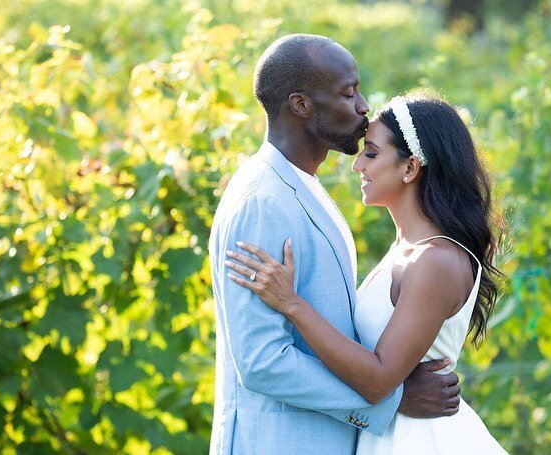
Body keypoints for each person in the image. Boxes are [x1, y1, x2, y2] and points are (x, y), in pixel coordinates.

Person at [208, 34, 461, 455]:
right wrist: (390, 400)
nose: (364, 106)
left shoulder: (305, 188)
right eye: (348, 92)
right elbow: (261, 362)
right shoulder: (263, 202)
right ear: (301, 105)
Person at [225, 94, 507, 454]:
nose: (357, 165)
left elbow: (377, 380)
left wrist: (291, 304)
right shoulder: (405, 250)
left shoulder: (436, 260)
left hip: (420, 441)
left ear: (409, 168)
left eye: (371, 153)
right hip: (387, 434)